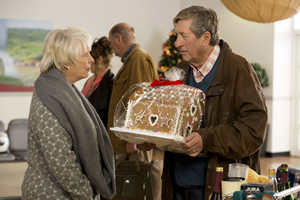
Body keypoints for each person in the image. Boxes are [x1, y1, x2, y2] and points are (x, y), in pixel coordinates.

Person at [160, 6, 268, 200]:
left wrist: (206, 139)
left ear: (206, 38)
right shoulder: (179, 71)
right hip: (175, 186)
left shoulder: (238, 69)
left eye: (184, 35)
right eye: (177, 36)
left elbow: (253, 131)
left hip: (218, 190)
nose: (177, 43)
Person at [22, 27, 116, 200]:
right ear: (66, 62)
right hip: (51, 194)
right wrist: (87, 194)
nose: (91, 59)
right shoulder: (50, 97)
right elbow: (62, 163)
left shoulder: (63, 91)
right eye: (85, 55)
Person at [107, 22, 163, 200]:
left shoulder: (138, 59)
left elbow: (140, 101)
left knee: (137, 190)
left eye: (111, 41)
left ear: (119, 38)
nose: (111, 47)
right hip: (128, 142)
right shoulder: (132, 60)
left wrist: (133, 138)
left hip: (133, 143)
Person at [82, 36, 114, 127]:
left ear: (100, 59)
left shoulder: (110, 83)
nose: (88, 61)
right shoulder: (91, 80)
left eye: (91, 58)